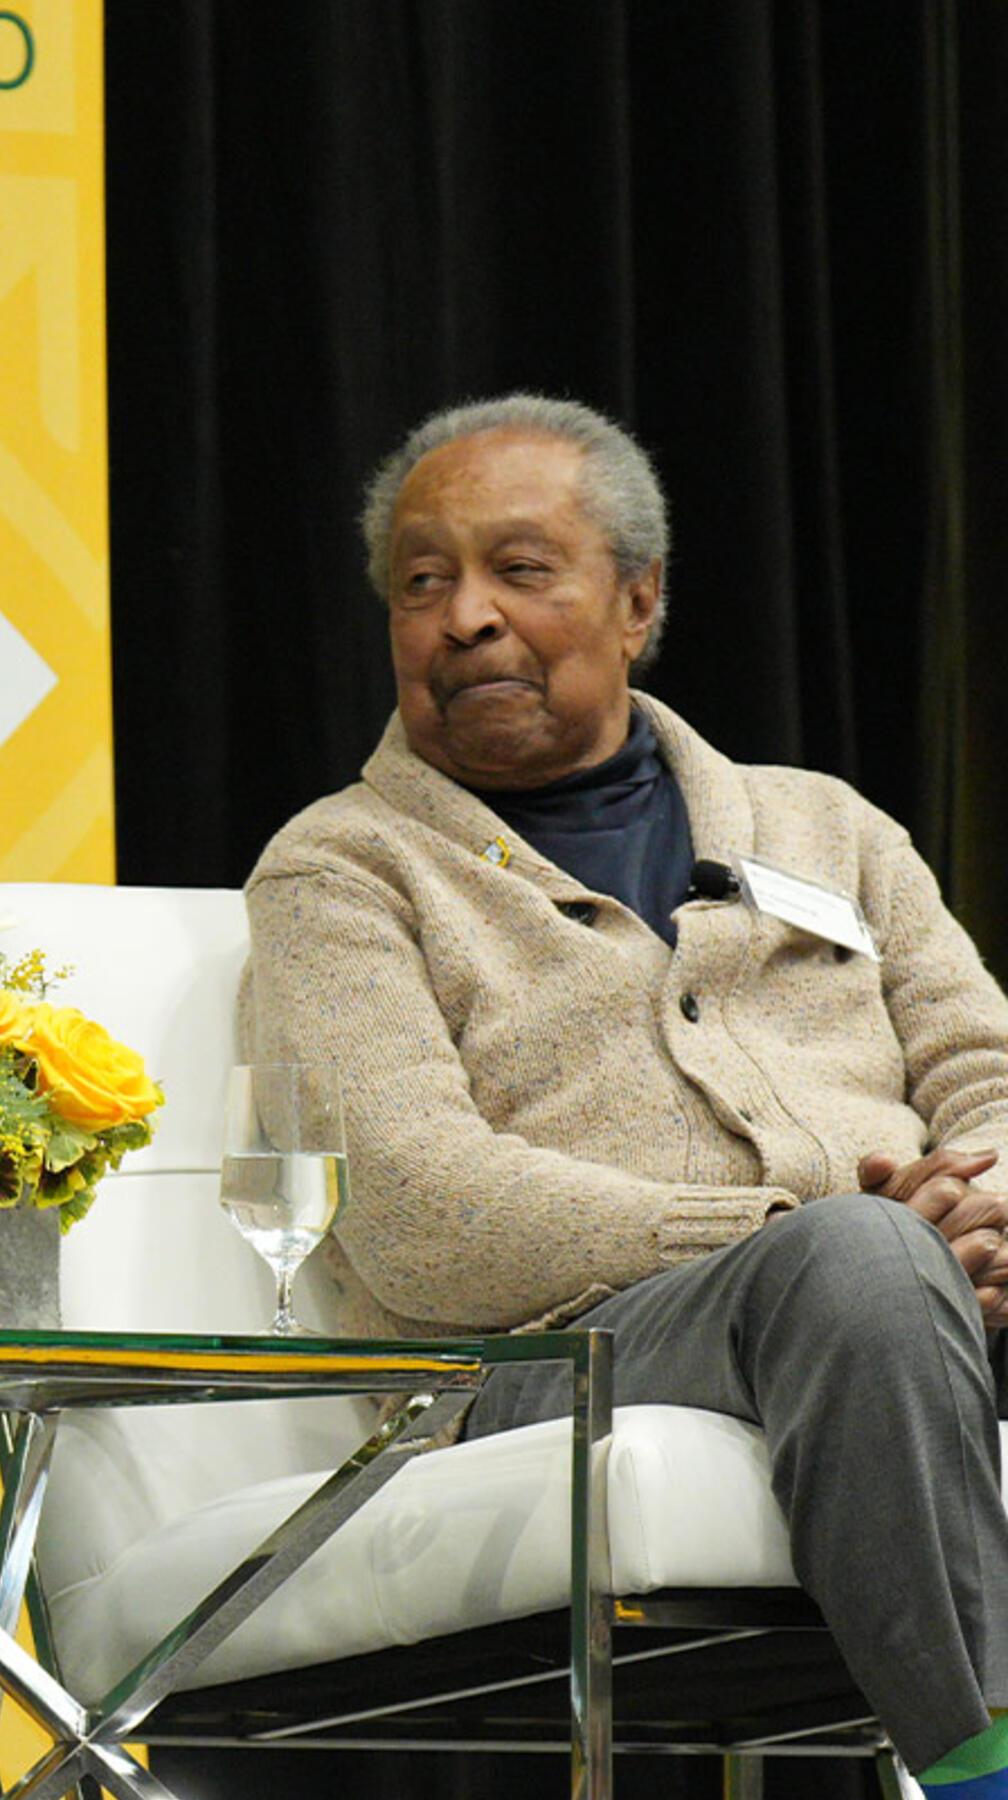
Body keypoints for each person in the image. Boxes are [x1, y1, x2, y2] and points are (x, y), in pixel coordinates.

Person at [235, 392, 1008, 1797]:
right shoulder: (343, 871)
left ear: (638, 600)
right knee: (859, 1259)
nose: (464, 615)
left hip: (920, 1284)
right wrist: (794, 1230)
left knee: (879, 1266)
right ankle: (978, 1777)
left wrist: (991, 1207)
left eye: (518, 571)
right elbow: (418, 1208)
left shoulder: (831, 826)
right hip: (548, 1362)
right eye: (422, 583)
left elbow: (983, 1072)